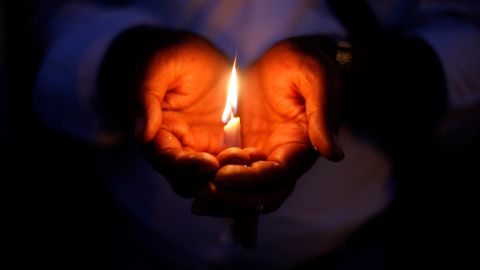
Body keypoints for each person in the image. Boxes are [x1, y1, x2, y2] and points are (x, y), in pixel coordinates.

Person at [28, 0, 479, 268]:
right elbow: (49, 11)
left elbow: (467, 34)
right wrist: (130, 57)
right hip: (135, 246)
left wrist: (344, 62)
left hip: (351, 252)